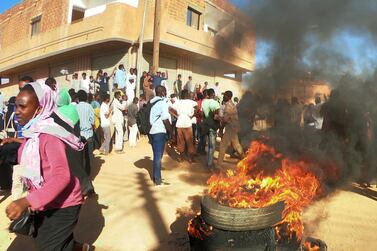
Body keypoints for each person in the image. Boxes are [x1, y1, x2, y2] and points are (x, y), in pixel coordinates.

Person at [4, 82, 88, 251]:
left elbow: (62, 176)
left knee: (46, 245)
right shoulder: (33, 134)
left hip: (64, 204)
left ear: (40, 108)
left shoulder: (49, 136)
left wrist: (27, 200)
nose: (17, 111)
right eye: (16, 106)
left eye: (23, 106)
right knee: (53, 241)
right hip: (46, 202)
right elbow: (34, 164)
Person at [149, 85, 172, 186]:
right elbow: (165, 119)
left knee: (156, 155)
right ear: (162, 92)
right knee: (158, 157)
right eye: (165, 91)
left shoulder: (153, 103)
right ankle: (157, 180)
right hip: (159, 132)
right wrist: (171, 132)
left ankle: (156, 176)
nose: (166, 93)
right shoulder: (162, 103)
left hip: (153, 132)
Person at [217, 91, 244, 167]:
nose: (223, 97)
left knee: (222, 146)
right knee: (236, 145)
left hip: (230, 128)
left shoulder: (229, 106)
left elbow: (225, 120)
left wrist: (218, 117)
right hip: (234, 127)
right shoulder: (230, 105)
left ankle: (218, 165)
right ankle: (245, 158)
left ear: (229, 97)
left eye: (225, 95)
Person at [172, 89, 197, 162]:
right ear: (187, 95)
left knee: (180, 141)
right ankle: (190, 158)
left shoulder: (178, 102)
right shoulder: (191, 102)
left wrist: (177, 116)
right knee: (189, 141)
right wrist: (192, 115)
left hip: (179, 123)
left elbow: (170, 108)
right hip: (187, 123)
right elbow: (197, 107)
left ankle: (181, 158)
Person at [76, 90, 95, 176]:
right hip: (89, 134)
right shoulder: (89, 106)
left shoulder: (75, 107)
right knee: (89, 157)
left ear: (77, 98)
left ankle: (82, 175)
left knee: (80, 157)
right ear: (86, 98)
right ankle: (88, 175)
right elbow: (93, 121)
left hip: (79, 135)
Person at [201, 88, 221, 169]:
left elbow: (202, 114)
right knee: (212, 146)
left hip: (206, 125)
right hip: (212, 126)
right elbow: (216, 116)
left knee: (208, 145)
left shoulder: (204, 102)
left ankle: (208, 162)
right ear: (213, 94)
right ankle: (210, 164)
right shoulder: (215, 103)